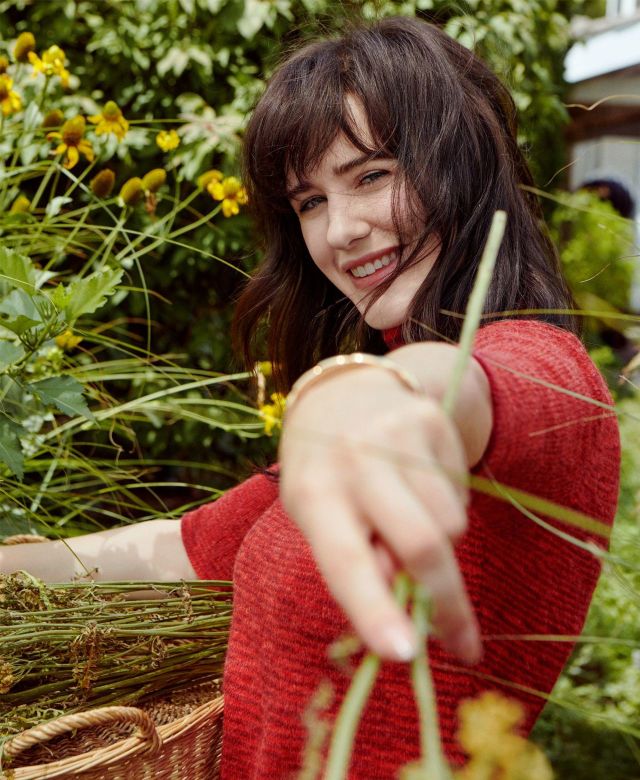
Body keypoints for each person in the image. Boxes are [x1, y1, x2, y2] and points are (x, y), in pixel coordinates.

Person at [1, 17, 620, 778]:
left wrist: (351, 395)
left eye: (371, 175)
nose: (343, 231)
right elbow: (180, 545)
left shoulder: (546, 371)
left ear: (463, 164)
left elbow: (450, 392)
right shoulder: (341, 456)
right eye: (309, 201)